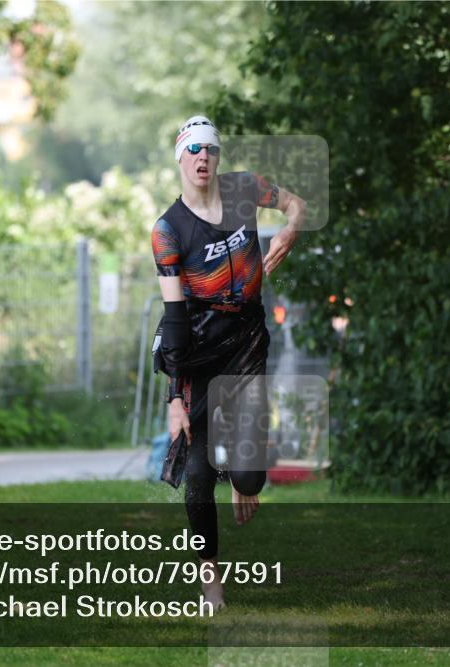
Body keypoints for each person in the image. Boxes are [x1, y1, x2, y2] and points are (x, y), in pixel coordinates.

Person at [150, 115, 306, 611]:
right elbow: (174, 318)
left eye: (210, 149)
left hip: (248, 343)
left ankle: (242, 476)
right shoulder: (168, 230)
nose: (203, 157)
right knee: (197, 476)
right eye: (193, 149)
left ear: (218, 158)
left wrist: (290, 231)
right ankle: (210, 579)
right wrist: (175, 396)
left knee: (251, 475)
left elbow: (296, 203)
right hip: (197, 353)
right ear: (180, 157)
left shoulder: (244, 189)